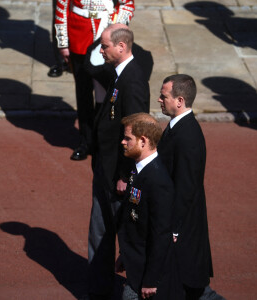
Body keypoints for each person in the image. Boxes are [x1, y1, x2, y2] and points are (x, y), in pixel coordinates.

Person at [88, 24, 150, 299]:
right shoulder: (117, 73)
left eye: (105, 46)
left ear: (121, 47)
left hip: (119, 174)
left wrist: (126, 175)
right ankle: (99, 290)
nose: (101, 51)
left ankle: (137, 290)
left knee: (128, 237)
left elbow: (137, 132)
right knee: (99, 232)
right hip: (105, 168)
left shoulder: (133, 80)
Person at [157, 74, 224, 300]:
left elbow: (186, 186)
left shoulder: (188, 135)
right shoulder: (178, 127)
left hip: (183, 224)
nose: (159, 100)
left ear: (180, 100)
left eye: (163, 96)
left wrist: (174, 227)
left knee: (188, 284)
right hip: (180, 220)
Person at [54, 0, 135, 160]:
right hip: (78, 37)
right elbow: (62, 8)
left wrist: (114, 30)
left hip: (105, 37)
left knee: (104, 95)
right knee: (83, 93)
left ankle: (103, 139)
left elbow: (127, 5)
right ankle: (86, 141)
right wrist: (63, 43)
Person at [116, 113, 176, 300]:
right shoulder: (139, 170)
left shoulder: (158, 181)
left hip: (147, 278)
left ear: (143, 141)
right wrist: (125, 256)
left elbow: (161, 235)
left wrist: (151, 280)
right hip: (136, 266)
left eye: (128, 138)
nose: (123, 142)